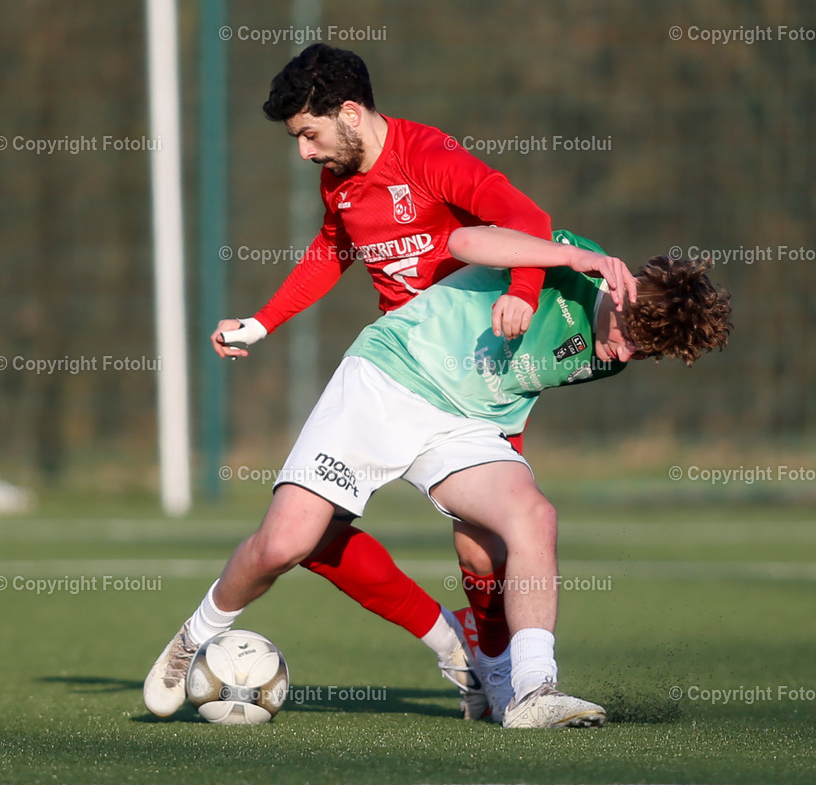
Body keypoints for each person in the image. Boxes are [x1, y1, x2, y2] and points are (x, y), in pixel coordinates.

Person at [144, 226, 733, 727]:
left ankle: (532, 692)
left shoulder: (615, 352)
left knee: (532, 517)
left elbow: (515, 390)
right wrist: (567, 258)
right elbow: (464, 239)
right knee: (286, 543)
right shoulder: (572, 260)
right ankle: (193, 637)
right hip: (390, 379)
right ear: (622, 292)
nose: (625, 356)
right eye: (631, 337)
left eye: (645, 354)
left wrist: (497, 500)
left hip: (466, 424)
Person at [200, 42, 555, 719]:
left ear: (351, 113)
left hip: (479, 373)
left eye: (309, 132)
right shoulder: (339, 174)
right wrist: (264, 321)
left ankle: (501, 669)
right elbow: (335, 245)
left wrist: (526, 290)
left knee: (483, 537)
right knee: (306, 528)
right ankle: (484, 661)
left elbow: (527, 220)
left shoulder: (431, 159)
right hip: (398, 373)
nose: (304, 151)